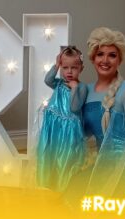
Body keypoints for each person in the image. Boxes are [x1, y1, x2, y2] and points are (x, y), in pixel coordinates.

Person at [63, 27, 125, 204]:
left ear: (119, 60)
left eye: (112, 55)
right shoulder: (84, 90)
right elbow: (84, 132)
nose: (105, 60)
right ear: (93, 58)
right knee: (73, 192)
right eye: (100, 54)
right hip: (106, 162)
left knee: (101, 203)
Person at [36, 46, 88, 192]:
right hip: (52, 125)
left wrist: (74, 89)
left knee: (66, 157)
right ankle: (47, 183)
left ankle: (64, 187)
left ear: (81, 69)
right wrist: (56, 64)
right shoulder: (58, 83)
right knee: (49, 152)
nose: (69, 72)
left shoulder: (82, 87)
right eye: (65, 68)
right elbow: (47, 79)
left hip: (69, 129)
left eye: (74, 68)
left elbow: (75, 108)